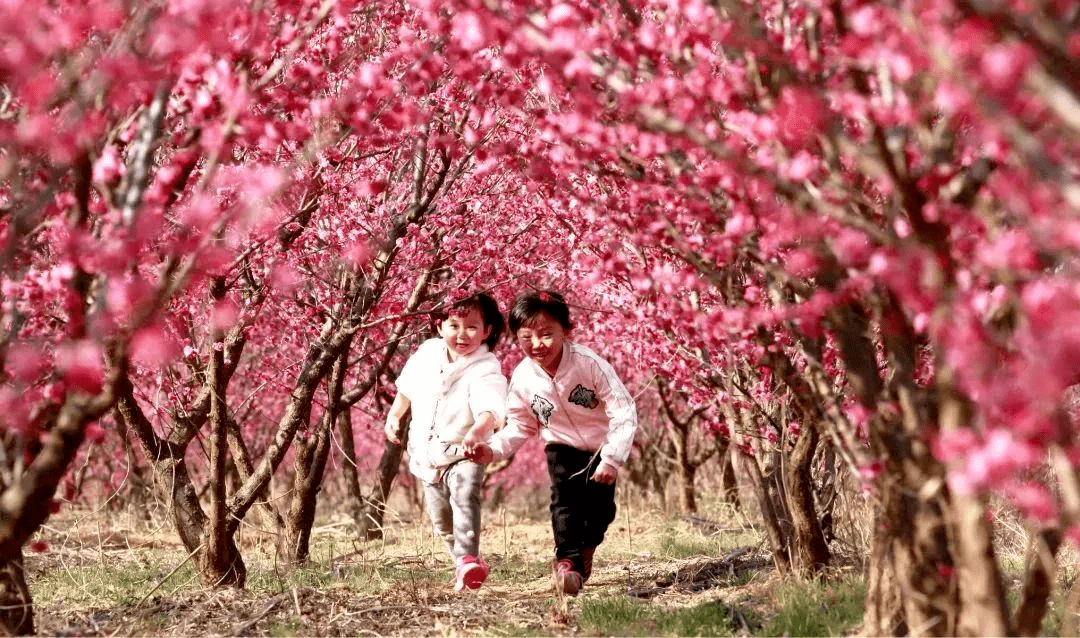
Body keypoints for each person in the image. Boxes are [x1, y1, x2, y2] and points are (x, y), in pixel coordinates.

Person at [466, 289, 637, 596]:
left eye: (546, 334)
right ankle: (567, 564)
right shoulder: (522, 379)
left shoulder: (589, 364)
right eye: (526, 337)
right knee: (564, 504)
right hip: (560, 446)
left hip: (601, 447)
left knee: (601, 512)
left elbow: (623, 409)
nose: (536, 345)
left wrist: (612, 457)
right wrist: (490, 449)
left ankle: (588, 547)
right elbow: (519, 424)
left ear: (566, 331)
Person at [384, 292, 507, 592]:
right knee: (441, 521)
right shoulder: (427, 353)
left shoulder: (485, 368)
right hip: (428, 455)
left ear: (487, 331)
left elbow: (490, 407)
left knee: (465, 498)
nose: (461, 335)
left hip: (464, 452)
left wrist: (477, 433)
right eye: (454, 325)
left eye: (471, 328)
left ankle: (467, 559)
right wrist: (395, 415)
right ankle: (463, 564)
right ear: (439, 326)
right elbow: (408, 388)